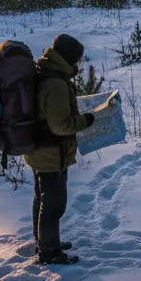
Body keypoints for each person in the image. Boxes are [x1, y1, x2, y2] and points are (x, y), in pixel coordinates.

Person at [25, 33, 96, 265]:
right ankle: (49, 252)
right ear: (68, 58)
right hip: (50, 153)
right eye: (77, 60)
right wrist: (86, 121)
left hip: (40, 149)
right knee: (54, 205)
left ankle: (45, 241)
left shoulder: (46, 71)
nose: (78, 64)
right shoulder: (55, 83)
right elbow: (60, 125)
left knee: (42, 199)